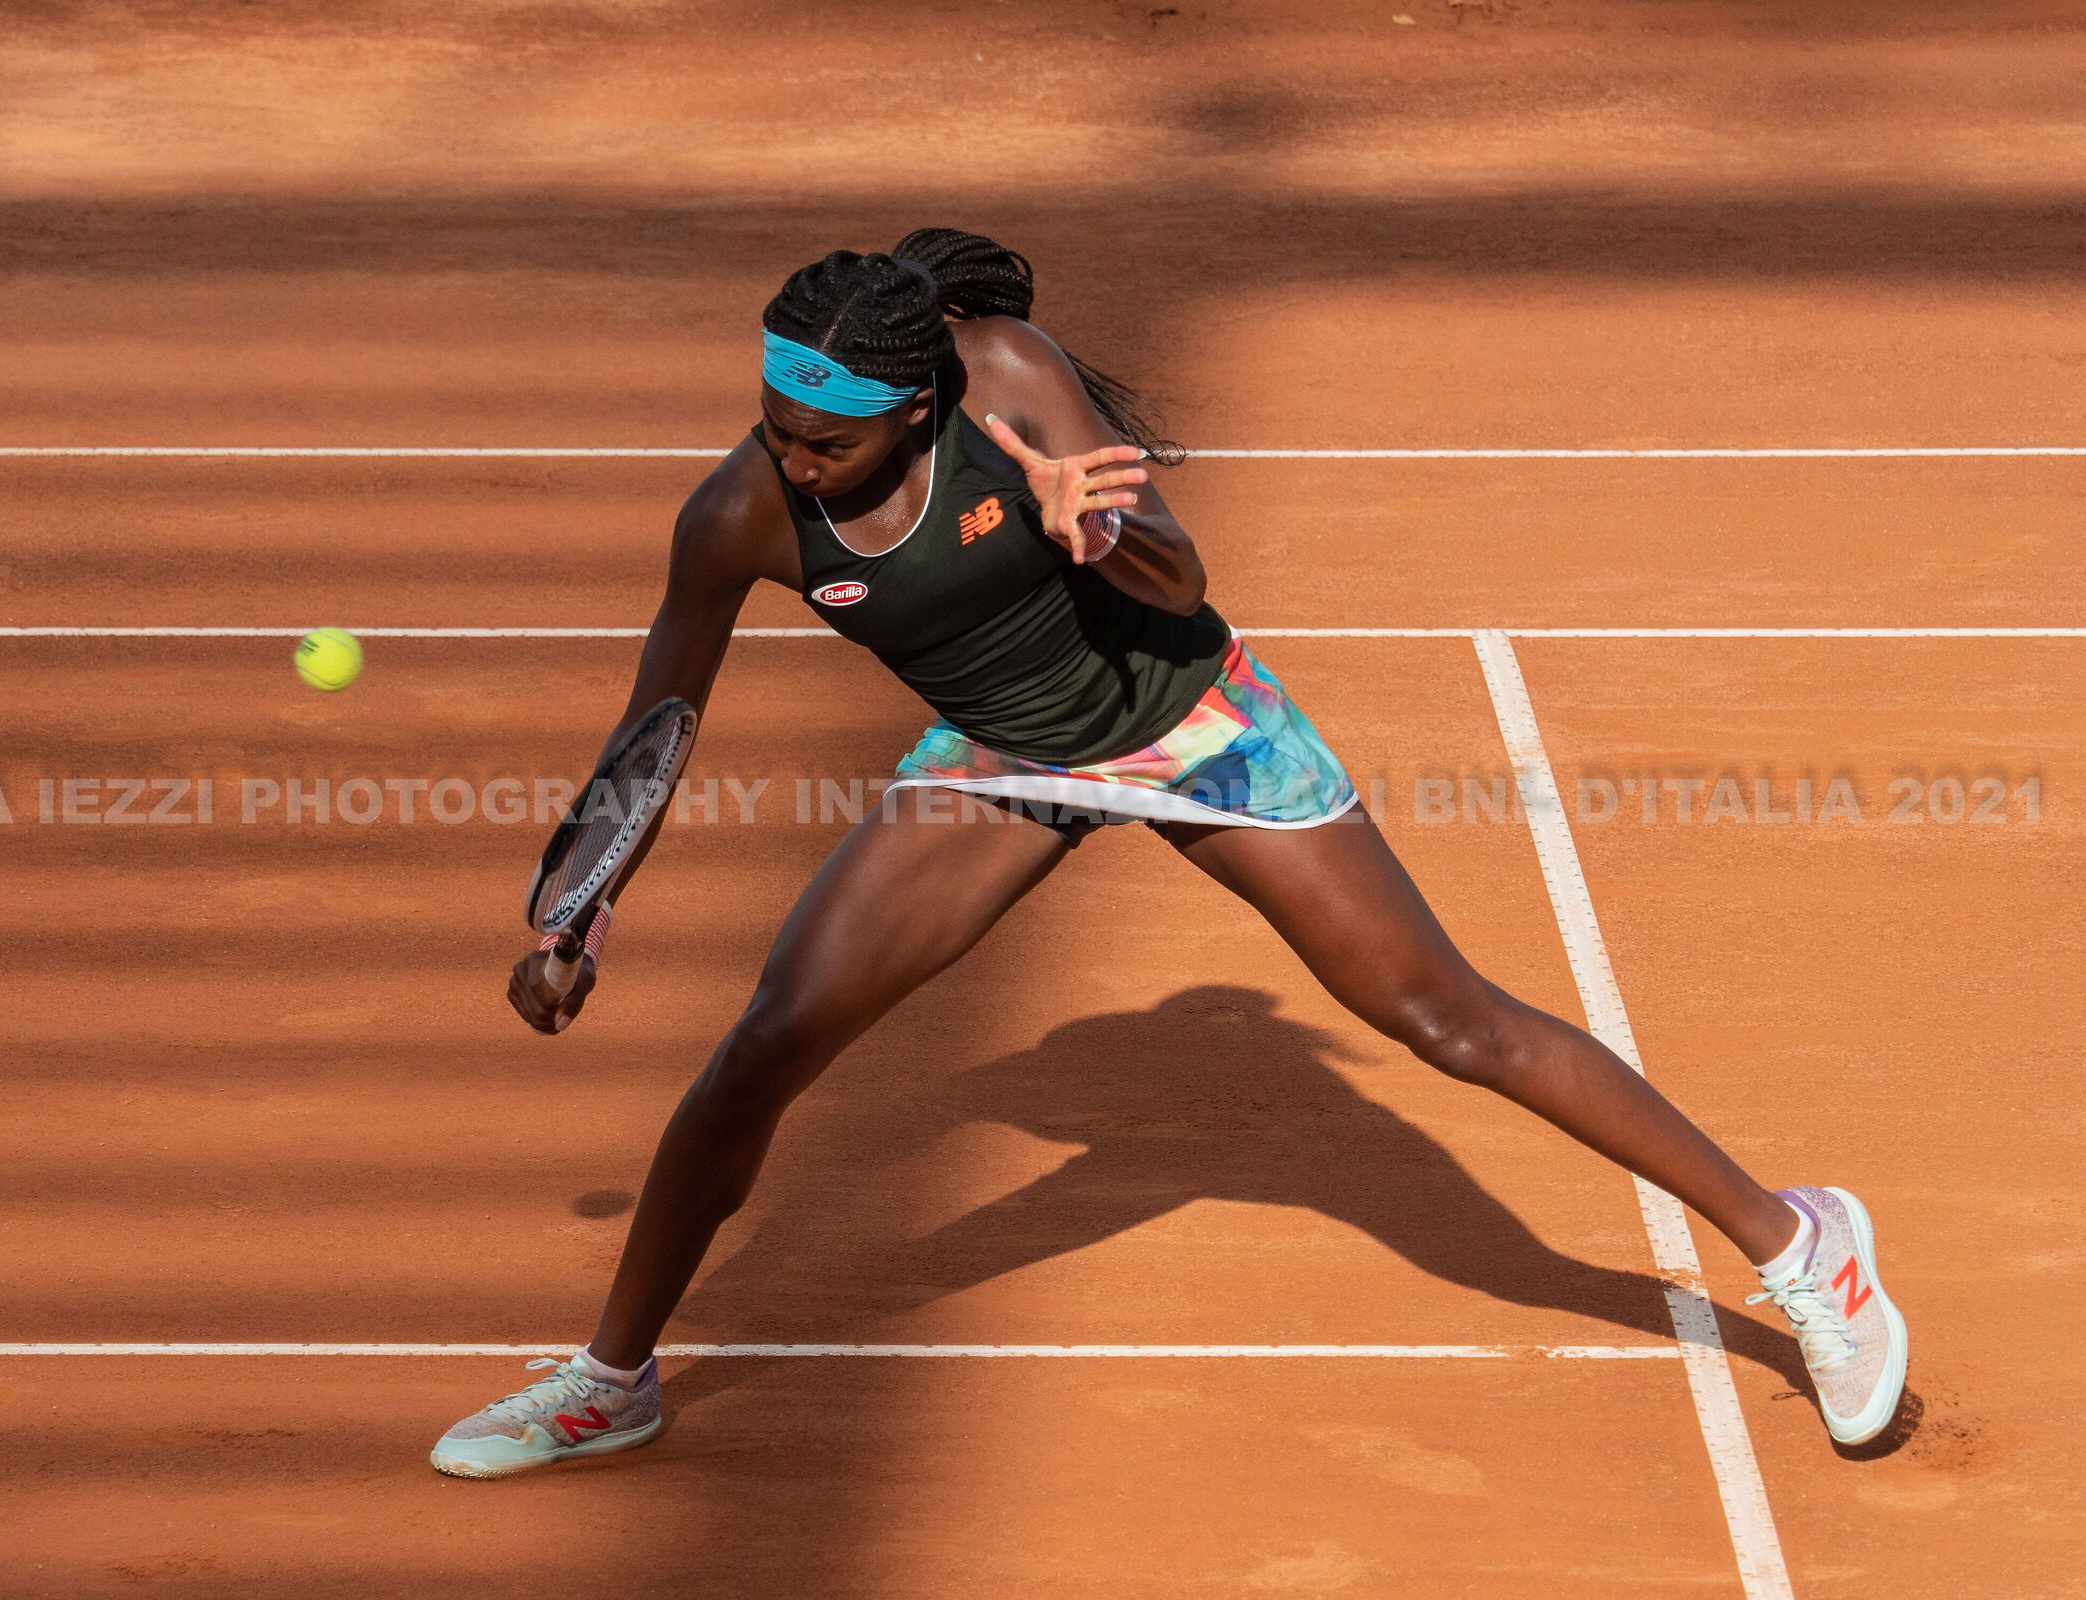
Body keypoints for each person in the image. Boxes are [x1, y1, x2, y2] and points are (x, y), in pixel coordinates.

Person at [428, 229, 1906, 1478]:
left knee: (1443, 1017)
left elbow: (1187, 576)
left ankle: (1803, 1245)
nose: (796, 461)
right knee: (764, 1045)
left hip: (1194, 724)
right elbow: (661, 718)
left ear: (916, 408)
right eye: (775, 427)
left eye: (830, 438)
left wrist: (1093, 528)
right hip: (1003, 759)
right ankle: (610, 1381)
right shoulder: (741, 512)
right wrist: (578, 915)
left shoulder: (1009, 375)